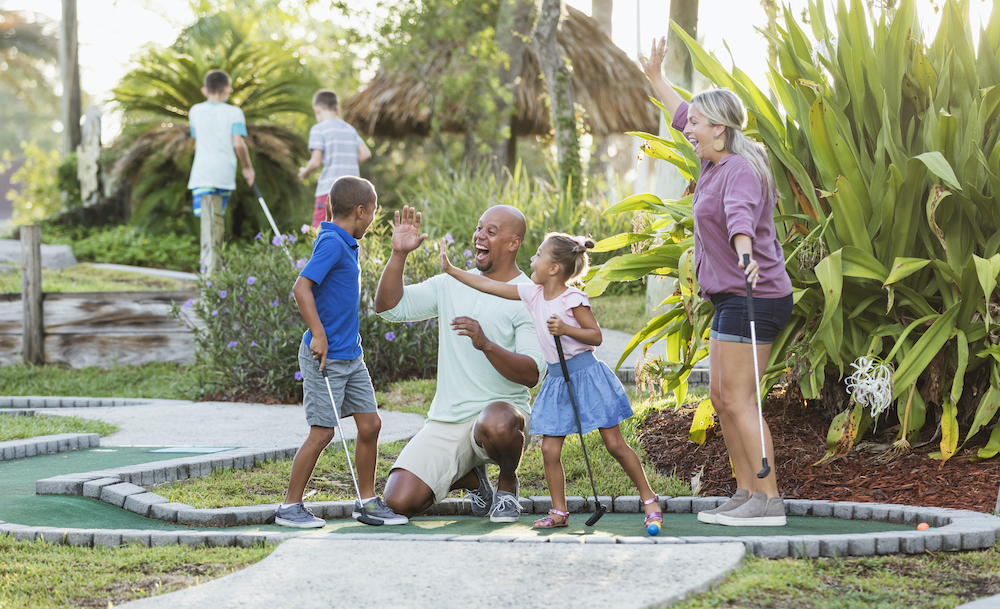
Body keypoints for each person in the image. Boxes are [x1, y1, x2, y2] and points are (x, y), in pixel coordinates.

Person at [640, 37, 794, 527]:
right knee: (722, 398)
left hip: (757, 293)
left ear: (721, 130)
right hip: (731, 296)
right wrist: (655, 76)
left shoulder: (741, 171)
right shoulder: (713, 159)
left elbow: (739, 219)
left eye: (700, 125)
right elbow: (680, 108)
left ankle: (769, 502)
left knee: (740, 397)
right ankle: (746, 490)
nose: (689, 129)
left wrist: (746, 255)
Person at [439, 233, 663, 531]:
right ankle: (559, 512)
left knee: (614, 444)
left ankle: (650, 500)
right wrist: (452, 270)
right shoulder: (533, 293)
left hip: (586, 375)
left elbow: (595, 336)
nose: (533, 259)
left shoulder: (573, 299)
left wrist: (566, 328)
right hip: (558, 380)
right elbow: (491, 286)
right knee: (549, 450)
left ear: (554, 268)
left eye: (539, 254)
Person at [375, 205, 545, 522]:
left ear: (513, 243)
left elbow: (531, 374)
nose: (479, 236)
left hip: (502, 417)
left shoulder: (528, 297)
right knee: (398, 501)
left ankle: (507, 486)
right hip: (447, 420)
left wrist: (486, 345)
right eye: (479, 228)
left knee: (495, 421)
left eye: (490, 231)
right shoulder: (449, 283)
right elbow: (388, 308)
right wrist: (399, 254)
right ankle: (473, 480)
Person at [275, 176, 407, 528]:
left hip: (351, 356)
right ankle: (289, 507)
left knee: (371, 424)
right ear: (361, 211)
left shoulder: (345, 241)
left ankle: (366, 502)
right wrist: (317, 333)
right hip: (325, 357)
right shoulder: (333, 242)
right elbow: (301, 287)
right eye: (373, 213)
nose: (372, 220)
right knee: (322, 432)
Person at [298, 90, 372, 229]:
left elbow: (315, 162)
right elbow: (365, 153)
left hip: (329, 190)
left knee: (321, 233)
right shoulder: (349, 129)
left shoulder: (318, 129)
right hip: (353, 192)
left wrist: (304, 172)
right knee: (348, 235)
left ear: (317, 109)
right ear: (337, 110)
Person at [187, 69, 255, 217]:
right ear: (227, 89)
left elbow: (196, 141)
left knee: (206, 219)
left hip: (202, 174)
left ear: (205, 90)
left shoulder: (195, 111)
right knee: (216, 219)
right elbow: (238, 144)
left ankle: (210, 241)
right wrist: (247, 168)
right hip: (224, 174)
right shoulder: (235, 112)